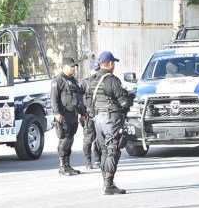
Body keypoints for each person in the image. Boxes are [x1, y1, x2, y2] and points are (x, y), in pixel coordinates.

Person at [88, 52, 136, 195]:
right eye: (113, 62)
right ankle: (109, 185)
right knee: (113, 149)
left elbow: (89, 100)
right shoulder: (112, 80)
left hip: (98, 119)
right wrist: (131, 96)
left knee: (104, 150)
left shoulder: (93, 80)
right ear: (109, 63)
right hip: (111, 119)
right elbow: (124, 103)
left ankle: (106, 182)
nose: (114, 65)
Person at [50, 56, 85, 176]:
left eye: (74, 66)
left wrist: (83, 114)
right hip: (63, 115)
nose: (74, 68)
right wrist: (56, 113)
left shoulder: (74, 81)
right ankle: (62, 166)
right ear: (64, 66)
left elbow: (79, 99)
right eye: (71, 66)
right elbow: (53, 98)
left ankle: (68, 165)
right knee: (64, 140)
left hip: (73, 115)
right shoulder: (58, 80)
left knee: (70, 140)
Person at [80, 60, 102, 170]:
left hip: (100, 114)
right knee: (88, 139)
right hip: (88, 115)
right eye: (95, 70)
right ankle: (88, 161)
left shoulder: (103, 80)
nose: (96, 72)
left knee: (99, 138)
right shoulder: (85, 83)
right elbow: (79, 99)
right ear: (90, 71)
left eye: (98, 69)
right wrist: (82, 113)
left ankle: (98, 159)